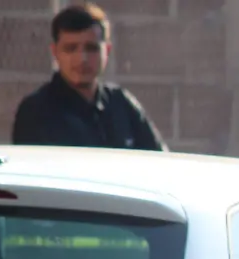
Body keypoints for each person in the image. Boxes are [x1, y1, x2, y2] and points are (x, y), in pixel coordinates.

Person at [11, 3, 166, 151]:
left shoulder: (122, 105)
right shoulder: (36, 112)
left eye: (91, 48)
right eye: (70, 48)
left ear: (107, 50)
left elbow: (160, 163)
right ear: (55, 52)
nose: (82, 59)